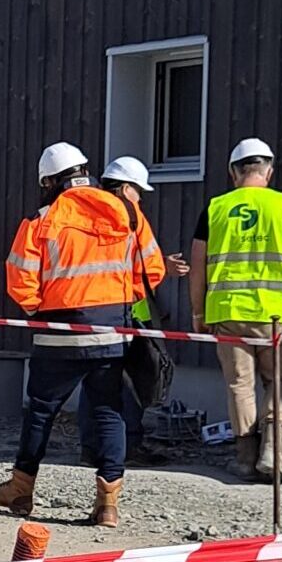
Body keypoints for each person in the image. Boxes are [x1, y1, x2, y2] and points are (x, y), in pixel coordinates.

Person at [0, 141, 165, 527]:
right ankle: (108, 505)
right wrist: (120, 302)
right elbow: (152, 269)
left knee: (41, 411)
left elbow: (20, 278)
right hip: (112, 328)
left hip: (59, 329)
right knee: (108, 410)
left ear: (49, 180)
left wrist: (39, 308)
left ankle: (20, 489)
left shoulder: (42, 218)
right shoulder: (127, 211)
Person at [189, 138, 282, 480]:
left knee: (240, 385)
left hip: (228, 313)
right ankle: (274, 453)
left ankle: (244, 458)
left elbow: (198, 268)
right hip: (276, 317)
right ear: (268, 171)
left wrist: (198, 313)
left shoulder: (215, 209)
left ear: (233, 173)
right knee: (277, 382)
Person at [75, 157, 188, 465]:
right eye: (139, 191)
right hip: (127, 311)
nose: (141, 198)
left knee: (94, 380)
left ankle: (91, 447)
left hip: (87, 311)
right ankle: (129, 445)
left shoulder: (82, 210)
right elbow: (146, 267)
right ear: (126, 189)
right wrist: (163, 266)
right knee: (131, 380)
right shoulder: (131, 215)